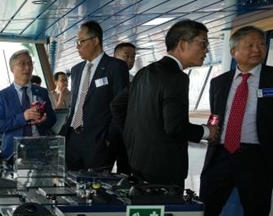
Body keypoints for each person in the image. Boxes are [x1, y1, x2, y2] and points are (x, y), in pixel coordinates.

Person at [191, 26, 273, 216]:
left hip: (256, 157)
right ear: (234, 51)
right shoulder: (219, 82)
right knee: (207, 210)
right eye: (250, 45)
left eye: (261, 44)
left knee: (256, 215)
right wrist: (212, 130)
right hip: (221, 154)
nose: (257, 49)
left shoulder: (272, 78)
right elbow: (216, 115)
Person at [111, 19, 219, 188]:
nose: (206, 50)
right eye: (203, 43)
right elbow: (175, 127)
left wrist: (134, 137)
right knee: (165, 206)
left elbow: (117, 106)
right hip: (164, 168)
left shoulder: (144, 72)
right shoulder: (176, 77)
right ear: (182, 45)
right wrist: (207, 131)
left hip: (138, 160)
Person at [61, 21, 130, 171]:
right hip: (72, 140)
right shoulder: (76, 70)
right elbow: (75, 104)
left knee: (96, 184)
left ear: (95, 41)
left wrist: (108, 139)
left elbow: (122, 107)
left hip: (98, 142)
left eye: (81, 42)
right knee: (71, 182)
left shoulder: (115, 67)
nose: (77, 47)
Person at [0, 49, 57, 163]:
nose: (27, 67)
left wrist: (44, 120)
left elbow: (52, 119)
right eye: (22, 64)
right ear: (12, 69)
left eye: (30, 63)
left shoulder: (41, 92)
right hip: (13, 153)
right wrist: (23, 117)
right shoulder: (3, 96)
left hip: (40, 149)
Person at [109, 42, 137, 174]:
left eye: (133, 56)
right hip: (109, 133)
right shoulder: (107, 77)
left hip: (128, 133)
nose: (130, 60)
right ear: (115, 56)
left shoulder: (136, 81)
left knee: (126, 170)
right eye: (126, 56)